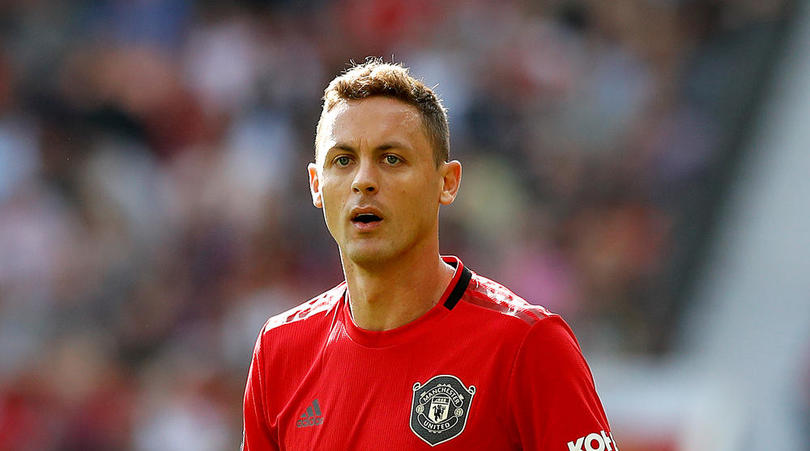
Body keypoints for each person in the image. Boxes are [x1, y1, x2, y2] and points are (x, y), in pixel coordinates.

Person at [242, 59, 617, 450]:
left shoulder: (527, 345)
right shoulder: (279, 351)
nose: (364, 181)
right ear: (317, 186)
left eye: (392, 159)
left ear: (447, 183)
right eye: (343, 160)